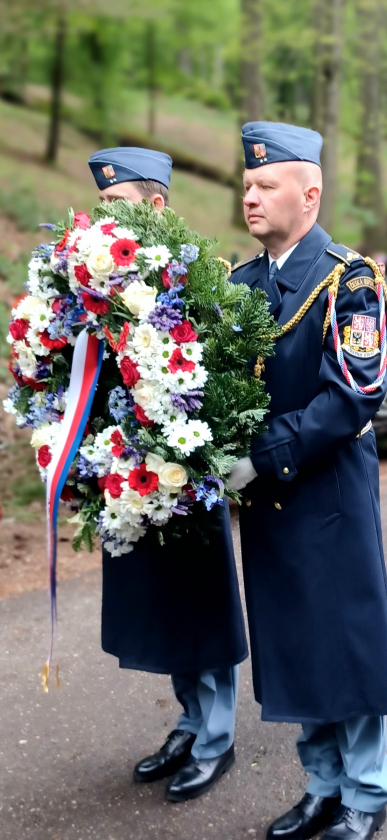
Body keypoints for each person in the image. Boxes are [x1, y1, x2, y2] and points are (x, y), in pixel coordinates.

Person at [227, 122, 387, 840]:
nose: (251, 194)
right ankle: (321, 782)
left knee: (344, 640)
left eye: (266, 184)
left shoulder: (348, 279)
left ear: (310, 192)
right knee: (294, 641)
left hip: (324, 493)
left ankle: (365, 791)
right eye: (246, 184)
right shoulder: (238, 284)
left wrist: (260, 456)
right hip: (269, 503)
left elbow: (355, 394)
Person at [88, 147, 247, 802]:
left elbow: (225, 374)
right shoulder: (99, 284)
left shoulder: (198, 276)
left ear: (156, 206)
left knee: (197, 602)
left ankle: (216, 736)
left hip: (185, 474)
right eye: (100, 208)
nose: (104, 220)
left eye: (116, 205)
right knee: (160, 604)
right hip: (133, 473)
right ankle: (189, 717)